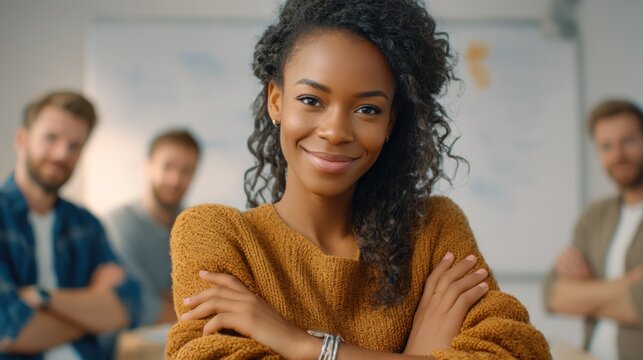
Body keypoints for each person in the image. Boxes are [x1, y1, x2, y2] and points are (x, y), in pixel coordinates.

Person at [167, 0, 550, 358]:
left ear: (390, 122)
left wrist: (303, 345)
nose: (335, 131)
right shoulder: (216, 236)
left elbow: (520, 351)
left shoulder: (433, 230)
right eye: (311, 100)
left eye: (368, 108)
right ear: (276, 101)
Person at [0, 90, 141, 359]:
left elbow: (128, 306)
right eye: (51, 138)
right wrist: (92, 302)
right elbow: (7, 328)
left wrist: (43, 298)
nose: (62, 153)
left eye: (75, 145)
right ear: (22, 139)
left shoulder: (87, 224)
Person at [544, 99, 643, 359]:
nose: (618, 154)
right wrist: (623, 286)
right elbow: (553, 294)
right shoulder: (595, 216)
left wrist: (586, 290)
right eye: (607, 146)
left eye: (629, 141)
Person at [104, 128, 201, 326]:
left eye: (186, 171)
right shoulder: (118, 225)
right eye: (168, 167)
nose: (175, 180)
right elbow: (141, 307)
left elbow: (204, 294)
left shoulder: (196, 227)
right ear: (147, 167)